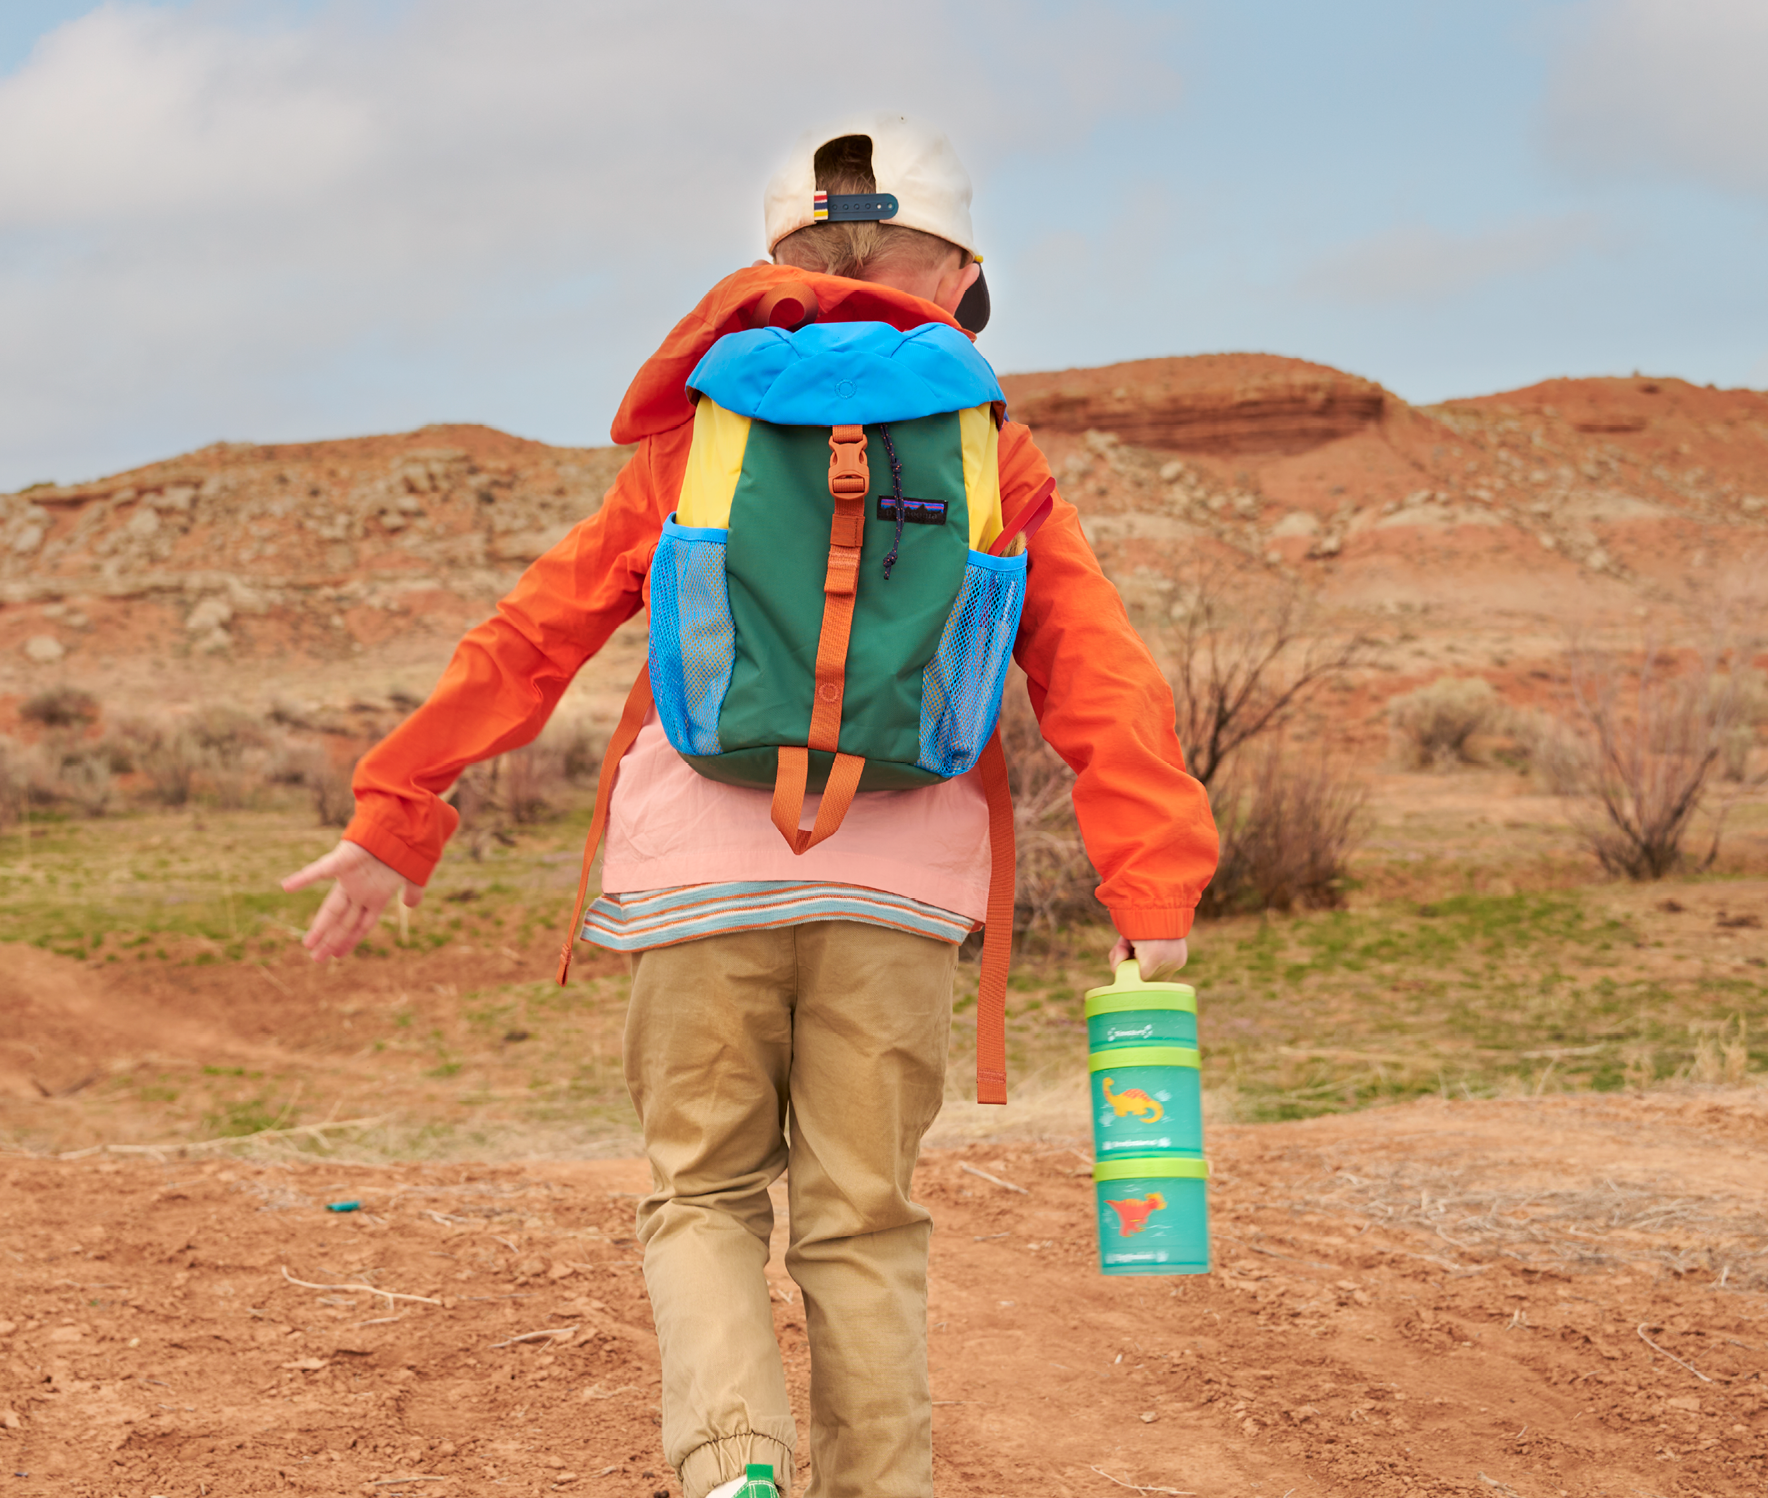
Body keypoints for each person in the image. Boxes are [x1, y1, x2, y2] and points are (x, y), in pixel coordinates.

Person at [281, 116, 1217, 1498]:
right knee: (861, 1226)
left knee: (704, 1194)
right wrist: (1152, 893)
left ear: (772, 265)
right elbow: (1101, 681)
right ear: (961, 277)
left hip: (693, 883)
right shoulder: (992, 458)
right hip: (898, 904)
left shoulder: (700, 438)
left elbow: (530, 634)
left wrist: (395, 808)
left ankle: (732, 1468)